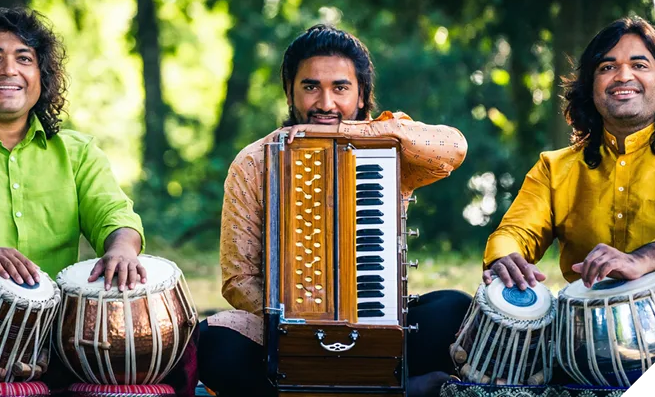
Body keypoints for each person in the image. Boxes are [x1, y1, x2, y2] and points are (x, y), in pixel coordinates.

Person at [0, 6, 195, 396]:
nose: (9, 70)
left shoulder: (78, 152)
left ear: (40, 76)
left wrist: (120, 250)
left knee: (175, 345)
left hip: (61, 332)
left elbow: (114, 215)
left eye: (24, 58)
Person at [198, 24, 471, 397]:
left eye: (340, 88)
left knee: (455, 310)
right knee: (214, 342)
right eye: (310, 87)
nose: (325, 104)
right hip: (287, 331)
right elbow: (238, 280)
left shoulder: (389, 148)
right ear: (290, 94)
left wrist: (356, 134)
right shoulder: (255, 162)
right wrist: (305, 316)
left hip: (377, 324)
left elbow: (453, 146)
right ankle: (392, 392)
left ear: (361, 96)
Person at [482, 16, 655, 318]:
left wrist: (641, 260)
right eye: (607, 67)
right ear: (591, 89)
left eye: (639, 65)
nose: (623, 76)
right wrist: (504, 258)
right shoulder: (554, 169)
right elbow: (514, 231)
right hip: (588, 335)